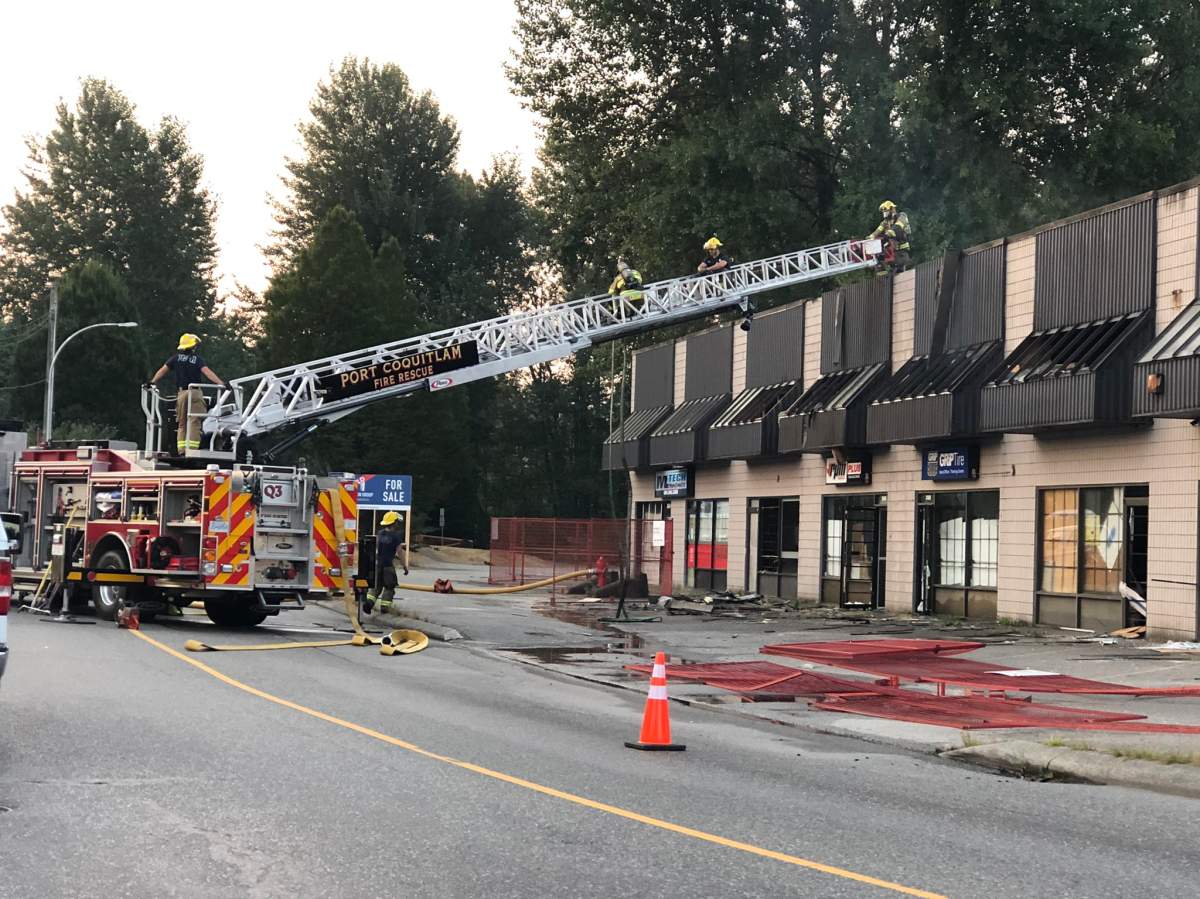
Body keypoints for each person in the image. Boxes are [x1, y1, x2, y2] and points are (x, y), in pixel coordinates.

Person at [149, 333, 226, 454]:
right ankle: (192, 449)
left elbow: (162, 370)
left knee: (182, 423)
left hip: (182, 394)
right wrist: (222, 383)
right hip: (194, 393)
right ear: (193, 346)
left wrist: (152, 382)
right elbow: (207, 372)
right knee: (194, 421)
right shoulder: (197, 359)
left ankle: (181, 450)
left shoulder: (175, 358)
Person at [367, 511, 407, 613]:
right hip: (388, 566)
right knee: (389, 587)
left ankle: (369, 603)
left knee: (376, 587)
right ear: (394, 523)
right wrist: (405, 566)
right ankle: (384, 608)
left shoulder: (379, 534)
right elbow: (400, 552)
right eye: (397, 522)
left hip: (377, 565)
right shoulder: (396, 537)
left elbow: (375, 549)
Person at [869, 200, 912, 272]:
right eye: (883, 212)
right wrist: (871, 237)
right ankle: (881, 267)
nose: (884, 214)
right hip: (893, 250)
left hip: (902, 250)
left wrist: (889, 233)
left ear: (892, 209)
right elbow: (879, 229)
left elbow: (898, 226)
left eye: (886, 211)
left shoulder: (902, 216)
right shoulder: (886, 221)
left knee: (900, 269)